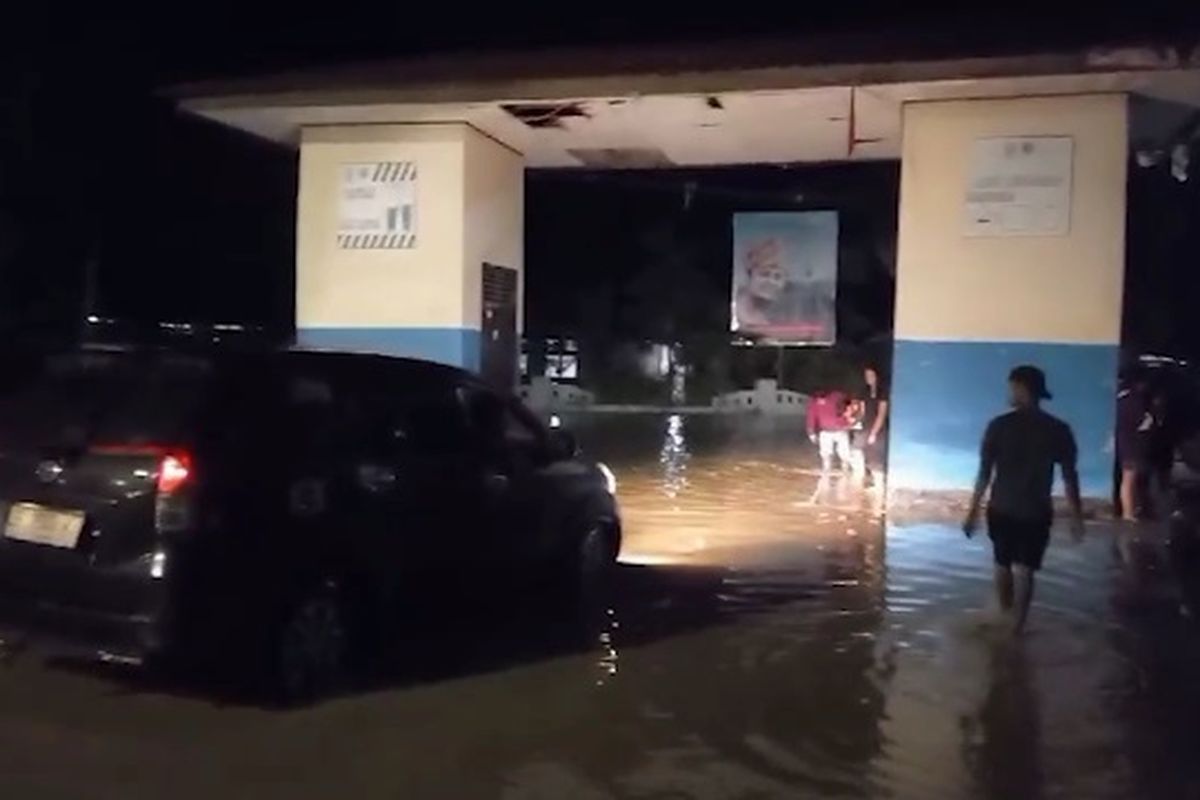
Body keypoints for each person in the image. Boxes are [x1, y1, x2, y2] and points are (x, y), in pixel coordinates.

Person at [963, 365, 1085, 635]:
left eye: (1012, 387)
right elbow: (1069, 476)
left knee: (1002, 563)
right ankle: (1017, 628)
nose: (1010, 393)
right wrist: (1077, 516)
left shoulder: (999, 426)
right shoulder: (1058, 429)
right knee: (1027, 569)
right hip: (1036, 510)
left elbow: (984, 473)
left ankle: (1003, 616)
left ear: (1021, 388)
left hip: (1002, 507)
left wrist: (972, 511)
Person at [1116, 370, 1153, 522]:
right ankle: (1128, 513)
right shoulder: (1134, 400)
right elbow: (1142, 424)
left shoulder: (1120, 399)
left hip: (1124, 443)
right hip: (1132, 445)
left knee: (1128, 479)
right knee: (1129, 480)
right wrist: (1149, 419)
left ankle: (1129, 511)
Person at [806, 388, 852, 474]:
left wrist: (848, 414)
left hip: (841, 429)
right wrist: (811, 433)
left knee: (844, 455)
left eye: (822, 399)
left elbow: (850, 402)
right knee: (825, 455)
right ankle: (826, 474)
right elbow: (811, 418)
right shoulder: (813, 402)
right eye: (818, 400)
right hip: (825, 431)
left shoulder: (837, 396)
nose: (820, 401)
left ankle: (846, 472)